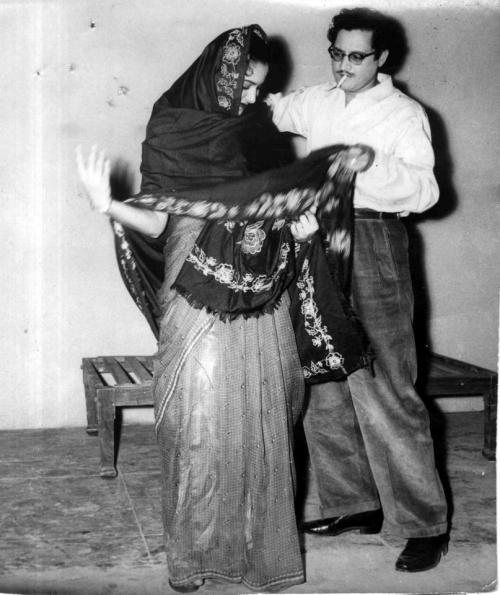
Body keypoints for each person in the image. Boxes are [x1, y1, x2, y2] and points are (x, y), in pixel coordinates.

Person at [77, 25, 374, 592]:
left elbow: (276, 204)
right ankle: (194, 559)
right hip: (194, 289)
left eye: (258, 89)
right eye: (244, 87)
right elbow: (162, 219)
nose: (251, 100)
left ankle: (265, 560)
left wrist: (304, 226)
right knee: (196, 422)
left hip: (264, 293)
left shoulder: (256, 132)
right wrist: (108, 205)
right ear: (220, 76)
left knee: (267, 419)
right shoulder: (171, 126)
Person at [266, 7, 449, 573]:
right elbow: (269, 108)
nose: (344, 65)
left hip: (371, 238)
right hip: (315, 240)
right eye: (337, 53)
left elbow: (425, 192)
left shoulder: (403, 114)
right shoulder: (318, 100)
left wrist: (366, 165)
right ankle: (354, 504)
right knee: (323, 376)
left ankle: (424, 525)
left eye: (357, 56)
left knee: (385, 385)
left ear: (382, 59)